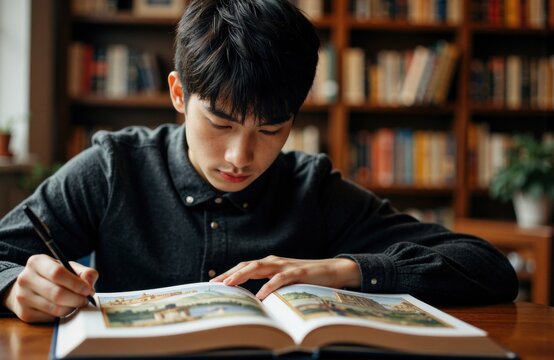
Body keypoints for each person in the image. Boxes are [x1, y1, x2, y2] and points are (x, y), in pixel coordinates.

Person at [0, 0, 517, 323]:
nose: (239, 157)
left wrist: (346, 270)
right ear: (179, 93)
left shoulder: (312, 189)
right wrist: (14, 288)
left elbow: (488, 268)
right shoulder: (115, 168)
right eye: (221, 124)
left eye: (271, 130)